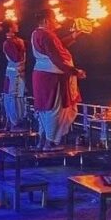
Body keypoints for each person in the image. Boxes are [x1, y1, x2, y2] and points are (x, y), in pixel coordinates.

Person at [31, 9, 86, 150]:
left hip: (42, 76)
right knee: (55, 111)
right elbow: (57, 58)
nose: (57, 21)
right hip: (52, 78)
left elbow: (58, 47)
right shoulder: (47, 35)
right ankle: (50, 143)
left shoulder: (37, 33)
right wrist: (75, 72)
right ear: (46, 21)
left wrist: (74, 35)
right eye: (54, 18)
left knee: (45, 110)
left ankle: (43, 141)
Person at [0, 20, 27, 131]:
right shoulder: (8, 43)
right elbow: (16, 58)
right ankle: (13, 123)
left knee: (19, 97)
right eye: (15, 24)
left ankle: (16, 122)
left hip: (19, 74)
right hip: (12, 75)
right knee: (12, 98)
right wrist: (21, 45)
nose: (17, 25)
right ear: (10, 28)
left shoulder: (17, 40)